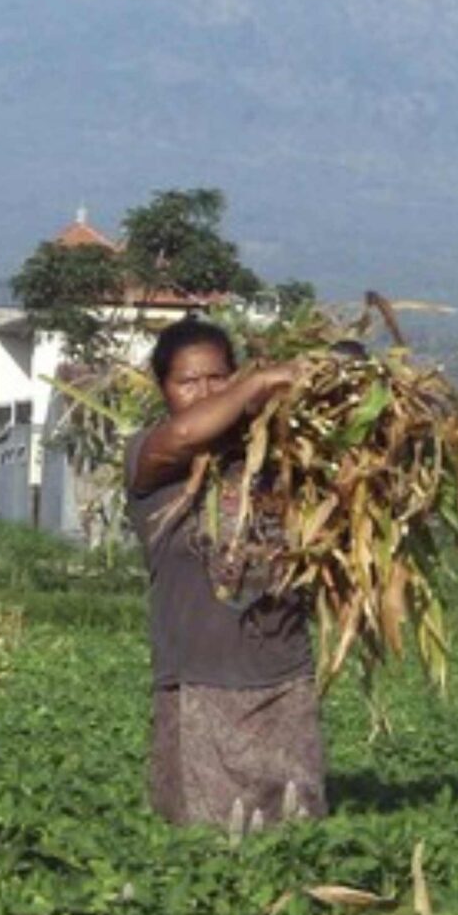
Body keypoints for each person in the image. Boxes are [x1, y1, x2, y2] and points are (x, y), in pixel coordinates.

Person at [125, 316, 324, 833]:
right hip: (198, 690)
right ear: (162, 389)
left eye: (218, 379)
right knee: (204, 851)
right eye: (188, 382)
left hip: (284, 685)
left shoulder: (273, 457)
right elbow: (188, 433)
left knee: (293, 849)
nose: (204, 392)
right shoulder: (151, 457)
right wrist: (256, 384)